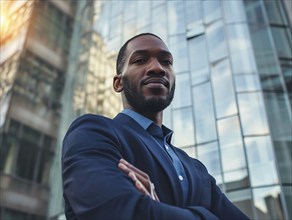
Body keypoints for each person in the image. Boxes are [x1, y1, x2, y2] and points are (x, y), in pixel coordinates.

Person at [62, 33, 250, 220]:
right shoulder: (93, 132)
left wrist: (154, 209)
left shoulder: (197, 170)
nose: (157, 68)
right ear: (118, 83)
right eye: (140, 60)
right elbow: (115, 211)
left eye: (166, 61)